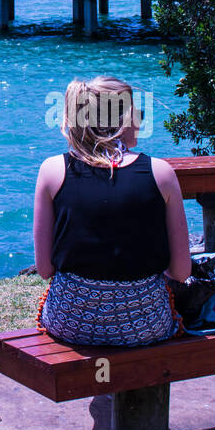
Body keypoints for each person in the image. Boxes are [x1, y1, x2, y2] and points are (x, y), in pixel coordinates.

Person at [33, 76, 191, 347]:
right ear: (121, 121)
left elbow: (45, 269)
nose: (140, 121)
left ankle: (105, 388)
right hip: (145, 325)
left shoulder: (52, 170)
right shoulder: (161, 173)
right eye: (137, 113)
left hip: (71, 322)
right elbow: (181, 271)